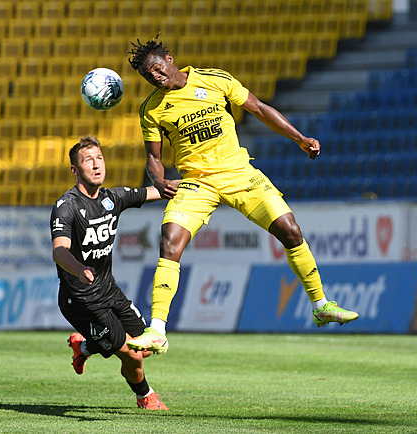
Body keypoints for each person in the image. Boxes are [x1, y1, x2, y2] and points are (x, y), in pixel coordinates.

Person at [125, 37, 359, 354]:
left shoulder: (214, 79)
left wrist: (300, 138)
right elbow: (153, 156)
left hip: (239, 173)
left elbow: (259, 108)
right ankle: (157, 331)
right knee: (169, 241)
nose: (154, 76)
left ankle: (320, 305)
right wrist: (160, 178)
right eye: (147, 75)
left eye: (156, 68)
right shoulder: (151, 109)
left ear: (169, 59)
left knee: (290, 230)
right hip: (196, 182)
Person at [50, 135, 176, 410]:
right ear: (75, 170)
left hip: (109, 291)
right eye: (88, 160)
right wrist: (79, 268)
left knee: (146, 346)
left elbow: (159, 191)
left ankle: (84, 347)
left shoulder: (112, 198)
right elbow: (59, 251)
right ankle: (146, 397)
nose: (96, 165)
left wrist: (198, 187)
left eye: (99, 158)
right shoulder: (67, 206)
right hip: (81, 301)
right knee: (133, 356)